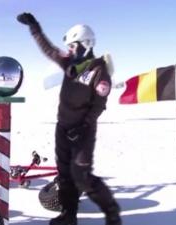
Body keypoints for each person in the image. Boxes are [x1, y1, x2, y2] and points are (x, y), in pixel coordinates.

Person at [17, 13, 121, 225]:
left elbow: (99, 105)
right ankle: (68, 216)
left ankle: (112, 212)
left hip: (83, 131)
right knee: (64, 175)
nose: (70, 50)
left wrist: (83, 126)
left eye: (74, 46)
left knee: (81, 176)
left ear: (86, 44)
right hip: (62, 128)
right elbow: (49, 49)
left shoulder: (99, 71)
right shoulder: (70, 64)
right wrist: (34, 27)